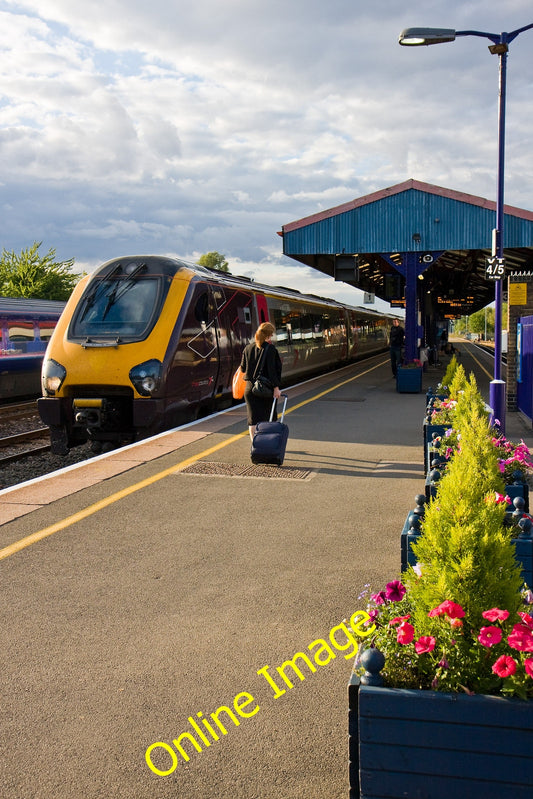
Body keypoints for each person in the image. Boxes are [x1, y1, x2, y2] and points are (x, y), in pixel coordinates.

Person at [240, 322, 282, 442]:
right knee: (270, 418)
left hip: (250, 390)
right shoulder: (271, 349)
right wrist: (276, 388)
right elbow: (273, 371)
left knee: (253, 420)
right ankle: (269, 443)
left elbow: (243, 368)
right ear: (269, 335)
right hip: (265, 390)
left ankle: (255, 445)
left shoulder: (247, 348)